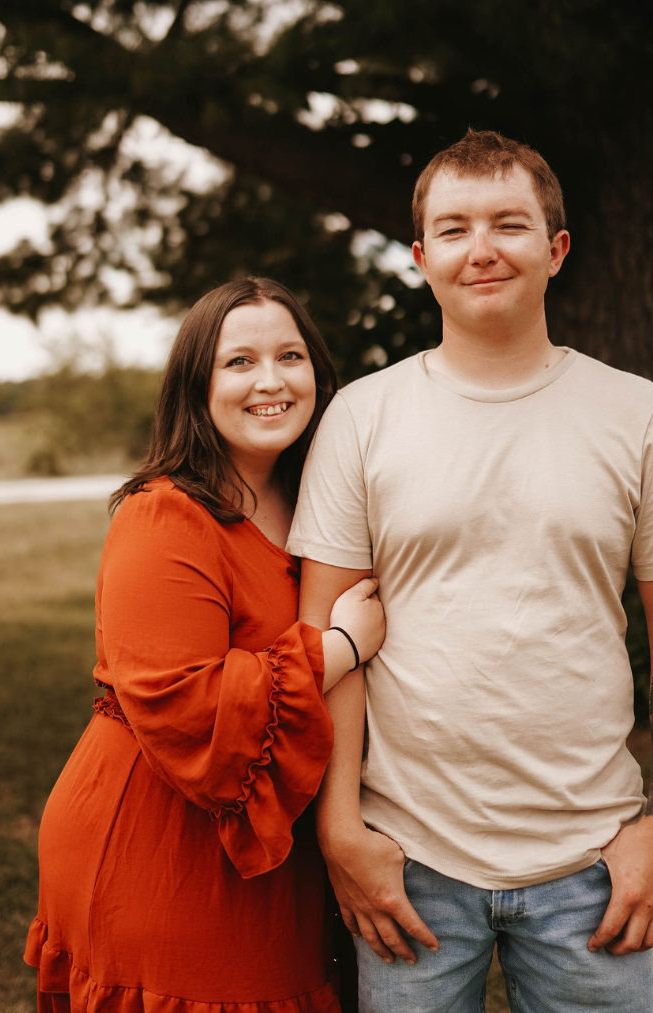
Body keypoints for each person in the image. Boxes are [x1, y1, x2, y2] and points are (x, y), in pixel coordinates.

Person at [286, 130, 653, 1013]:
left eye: (508, 224)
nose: (480, 249)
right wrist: (339, 831)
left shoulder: (635, 412)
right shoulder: (361, 417)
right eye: (453, 229)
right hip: (409, 861)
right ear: (421, 259)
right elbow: (327, 640)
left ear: (556, 249)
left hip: (592, 864)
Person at [24, 277, 385, 1013]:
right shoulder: (165, 516)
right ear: (198, 384)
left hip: (277, 836)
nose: (270, 381)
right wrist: (339, 646)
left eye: (290, 356)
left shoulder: (319, 500)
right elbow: (182, 698)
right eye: (240, 362)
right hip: (161, 837)